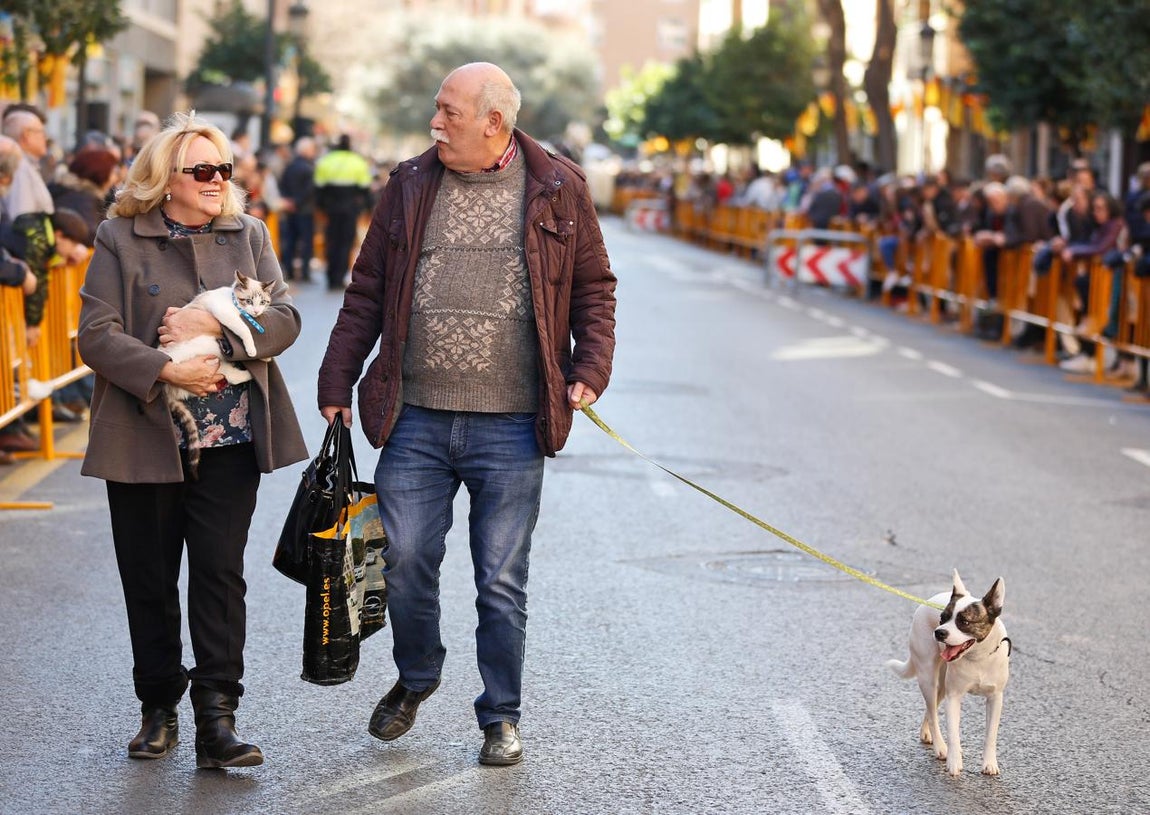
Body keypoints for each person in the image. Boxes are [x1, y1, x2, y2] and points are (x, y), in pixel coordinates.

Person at [316, 62, 617, 767]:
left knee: (500, 579)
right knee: (404, 557)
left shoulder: (558, 187)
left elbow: (594, 288)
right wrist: (339, 372)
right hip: (416, 413)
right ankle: (418, 674)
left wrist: (590, 368)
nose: (435, 122)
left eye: (449, 111)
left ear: (494, 123)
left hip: (512, 423)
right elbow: (366, 287)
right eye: (436, 108)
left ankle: (500, 716)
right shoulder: (411, 184)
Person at [76, 112, 307, 768]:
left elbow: (284, 317)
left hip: (231, 438)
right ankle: (158, 709)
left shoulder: (249, 234)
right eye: (201, 170)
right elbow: (95, 332)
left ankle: (217, 719)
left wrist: (218, 325)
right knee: (148, 577)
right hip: (145, 434)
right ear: (164, 179)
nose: (216, 181)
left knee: (218, 573)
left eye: (224, 170)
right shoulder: (119, 235)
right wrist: (165, 367)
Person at [314, 134, 372, 290]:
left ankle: (330, 277)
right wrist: (368, 209)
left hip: (331, 209)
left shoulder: (325, 161)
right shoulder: (358, 162)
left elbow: (318, 190)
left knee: (331, 241)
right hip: (350, 210)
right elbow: (365, 190)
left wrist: (320, 208)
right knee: (345, 243)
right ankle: (339, 277)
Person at [278, 136, 318, 282]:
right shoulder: (309, 168)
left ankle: (288, 270)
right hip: (305, 210)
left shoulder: (290, 166)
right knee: (306, 242)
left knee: (290, 240)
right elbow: (309, 190)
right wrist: (298, 202)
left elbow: (282, 185)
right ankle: (305, 272)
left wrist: (289, 202)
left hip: (290, 209)